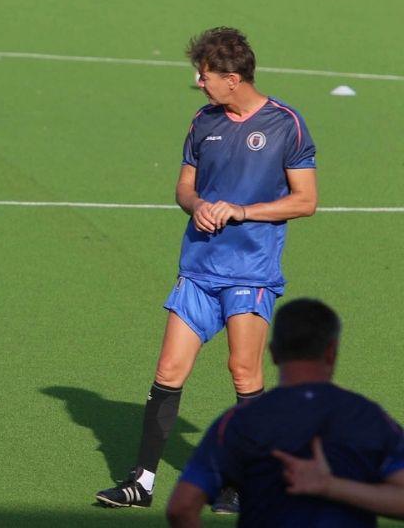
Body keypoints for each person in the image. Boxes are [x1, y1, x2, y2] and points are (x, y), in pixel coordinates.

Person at [95, 27, 318, 512]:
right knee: (168, 371)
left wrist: (240, 211)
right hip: (198, 269)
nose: (199, 82)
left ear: (233, 79)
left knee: (243, 373)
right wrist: (197, 204)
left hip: (250, 274)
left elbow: (305, 201)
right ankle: (141, 482)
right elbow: (183, 188)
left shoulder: (287, 124)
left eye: (207, 75)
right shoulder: (203, 122)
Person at [167, 298, 404, 527]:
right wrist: (331, 486)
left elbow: (181, 508)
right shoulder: (367, 417)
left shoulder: (239, 422)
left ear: (273, 352)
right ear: (331, 352)